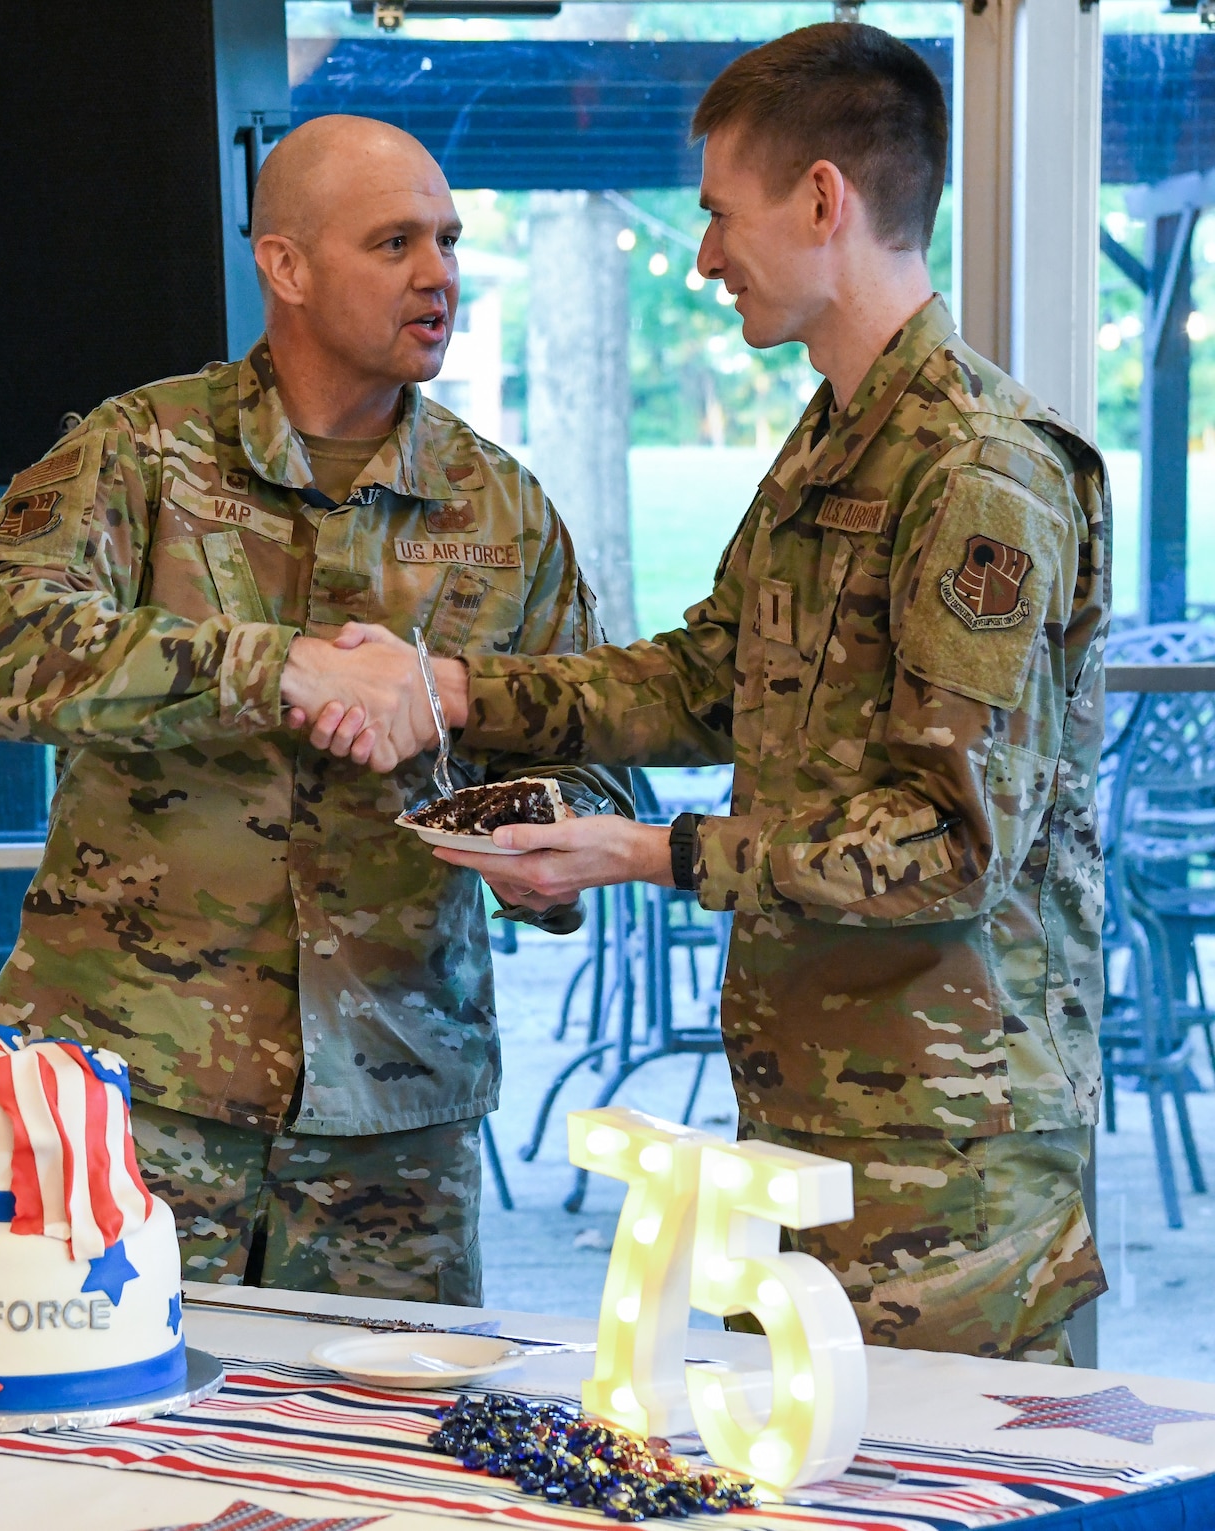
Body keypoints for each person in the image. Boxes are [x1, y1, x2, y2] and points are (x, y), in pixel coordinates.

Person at [309, 26, 1109, 1360]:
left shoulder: (980, 470)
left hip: (952, 1169)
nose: (703, 258)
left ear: (822, 201)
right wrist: (449, 685)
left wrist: (644, 850)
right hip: (816, 1120)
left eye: (718, 216)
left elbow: (951, 845)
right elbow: (703, 677)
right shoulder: (837, 442)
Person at [0, 114, 626, 1305]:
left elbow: (596, 762)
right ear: (286, 265)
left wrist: (542, 846)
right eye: (395, 241)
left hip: (391, 1127)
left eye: (450, 241)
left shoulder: (504, 510)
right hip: (130, 1101)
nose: (438, 274)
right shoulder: (139, 454)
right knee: (105, 1460)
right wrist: (276, 668)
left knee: (380, 1472)